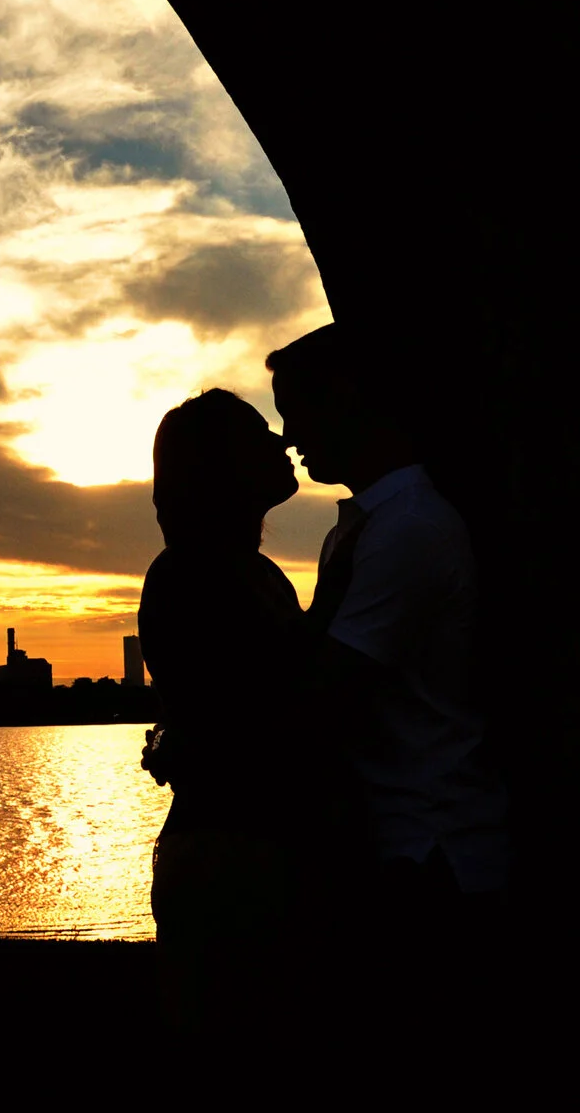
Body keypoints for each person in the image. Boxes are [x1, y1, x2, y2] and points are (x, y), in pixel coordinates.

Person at [267, 323, 508, 977]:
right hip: (406, 847)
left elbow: (329, 694)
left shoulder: (409, 528)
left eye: (298, 413)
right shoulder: (370, 527)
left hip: (433, 853)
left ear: (347, 400)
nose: (290, 436)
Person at [137, 388, 351, 1032]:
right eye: (261, 435)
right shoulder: (188, 575)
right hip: (228, 860)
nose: (282, 442)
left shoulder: (253, 574)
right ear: (221, 465)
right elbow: (267, 702)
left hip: (248, 848)